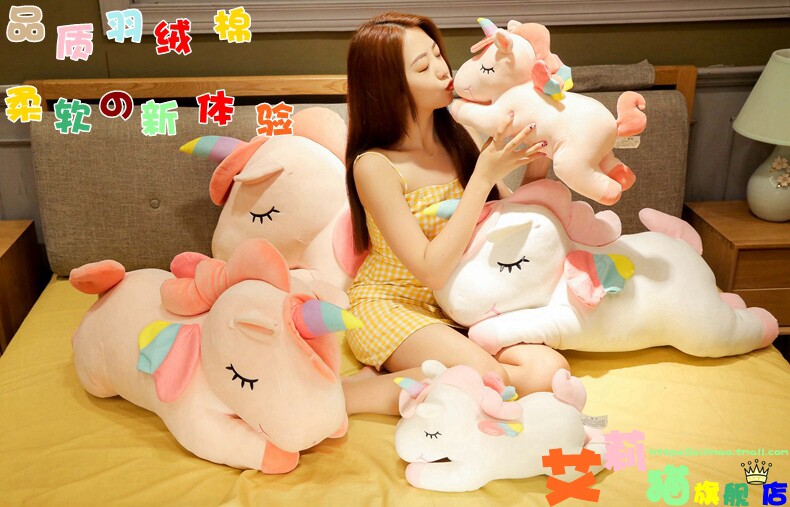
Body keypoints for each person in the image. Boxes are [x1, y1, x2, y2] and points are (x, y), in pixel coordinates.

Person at [342, 12, 568, 416]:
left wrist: (540, 152)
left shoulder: (459, 136)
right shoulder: (374, 166)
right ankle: (348, 396)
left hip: (460, 303)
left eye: (437, 54)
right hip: (392, 304)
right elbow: (430, 270)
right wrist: (482, 176)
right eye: (422, 66)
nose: (443, 70)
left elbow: (510, 214)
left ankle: (416, 379)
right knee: (485, 377)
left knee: (549, 369)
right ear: (388, 87)